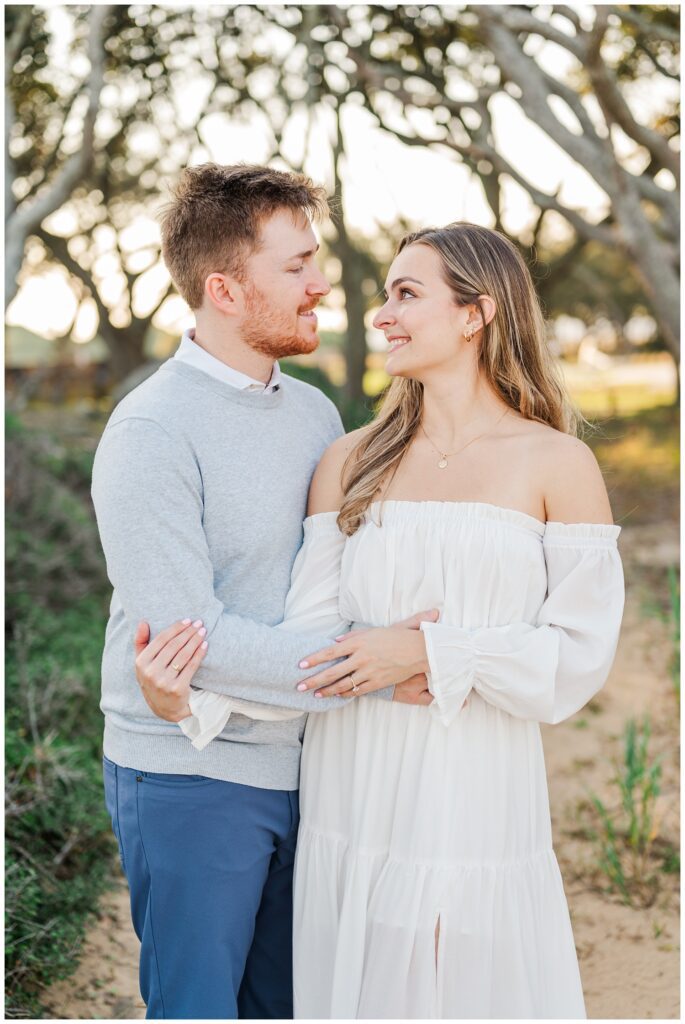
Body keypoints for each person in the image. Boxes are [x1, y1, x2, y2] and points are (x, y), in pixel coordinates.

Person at [138, 222, 625, 1018]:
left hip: (474, 776)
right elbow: (311, 636)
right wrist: (194, 699)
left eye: (407, 294)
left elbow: (575, 655)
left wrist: (429, 650)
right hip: (354, 777)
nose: (381, 313)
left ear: (476, 313)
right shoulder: (350, 458)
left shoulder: (556, 463)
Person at [91, 162, 431, 1021]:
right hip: (192, 776)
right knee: (200, 1008)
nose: (323, 284)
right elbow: (187, 637)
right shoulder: (150, 430)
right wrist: (377, 669)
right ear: (225, 290)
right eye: (296, 267)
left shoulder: (316, 414)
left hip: (316, 767)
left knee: (288, 1003)